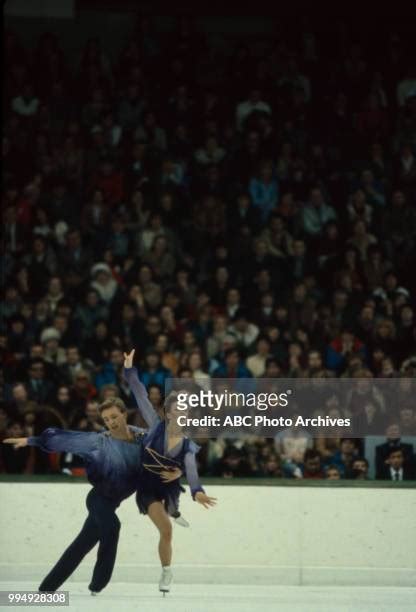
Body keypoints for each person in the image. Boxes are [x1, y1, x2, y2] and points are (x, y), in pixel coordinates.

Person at [3, 396, 181, 594]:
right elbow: (64, 440)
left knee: (80, 546)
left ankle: (46, 590)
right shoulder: (99, 442)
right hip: (98, 500)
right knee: (113, 526)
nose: (111, 422)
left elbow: (167, 451)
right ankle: (98, 584)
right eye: (106, 419)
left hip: (112, 504)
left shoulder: (143, 438)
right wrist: (31, 440)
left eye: (114, 416)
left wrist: (177, 470)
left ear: (124, 414)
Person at [123, 349, 216, 594]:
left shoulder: (187, 443)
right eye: (178, 407)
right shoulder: (155, 426)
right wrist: (130, 370)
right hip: (147, 487)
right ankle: (166, 571)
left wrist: (198, 492)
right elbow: (140, 394)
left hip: (169, 485)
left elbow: (192, 470)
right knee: (166, 529)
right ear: (168, 411)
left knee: (174, 492)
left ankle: (174, 510)